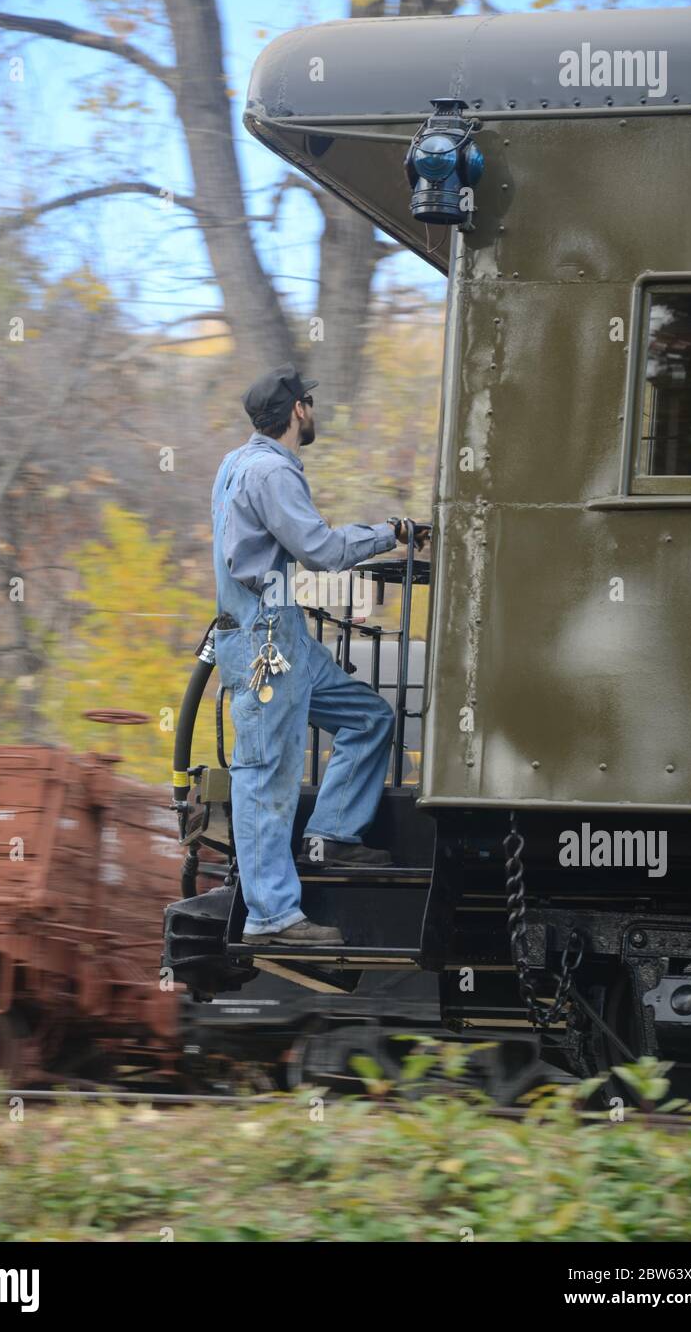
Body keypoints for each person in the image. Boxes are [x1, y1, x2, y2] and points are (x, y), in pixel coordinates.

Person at [211, 363, 425, 946]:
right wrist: (392, 532)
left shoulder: (235, 464)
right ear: (298, 410)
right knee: (265, 774)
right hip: (265, 644)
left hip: (283, 635)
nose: (313, 409)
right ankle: (272, 918)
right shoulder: (271, 472)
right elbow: (322, 552)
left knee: (368, 718)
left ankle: (331, 835)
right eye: (310, 401)